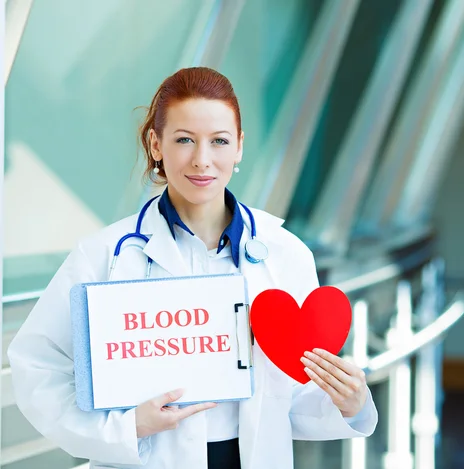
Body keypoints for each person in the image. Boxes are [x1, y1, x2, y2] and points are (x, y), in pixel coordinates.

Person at [7, 67, 377, 469]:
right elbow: (37, 365)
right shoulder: (104, 256)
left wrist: (349, 403)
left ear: (239, 146)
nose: (203, 161)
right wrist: (125, 428)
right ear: (156, 144)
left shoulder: (285, 254)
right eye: (184, 140)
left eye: (218, 141)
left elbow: (293, 390)